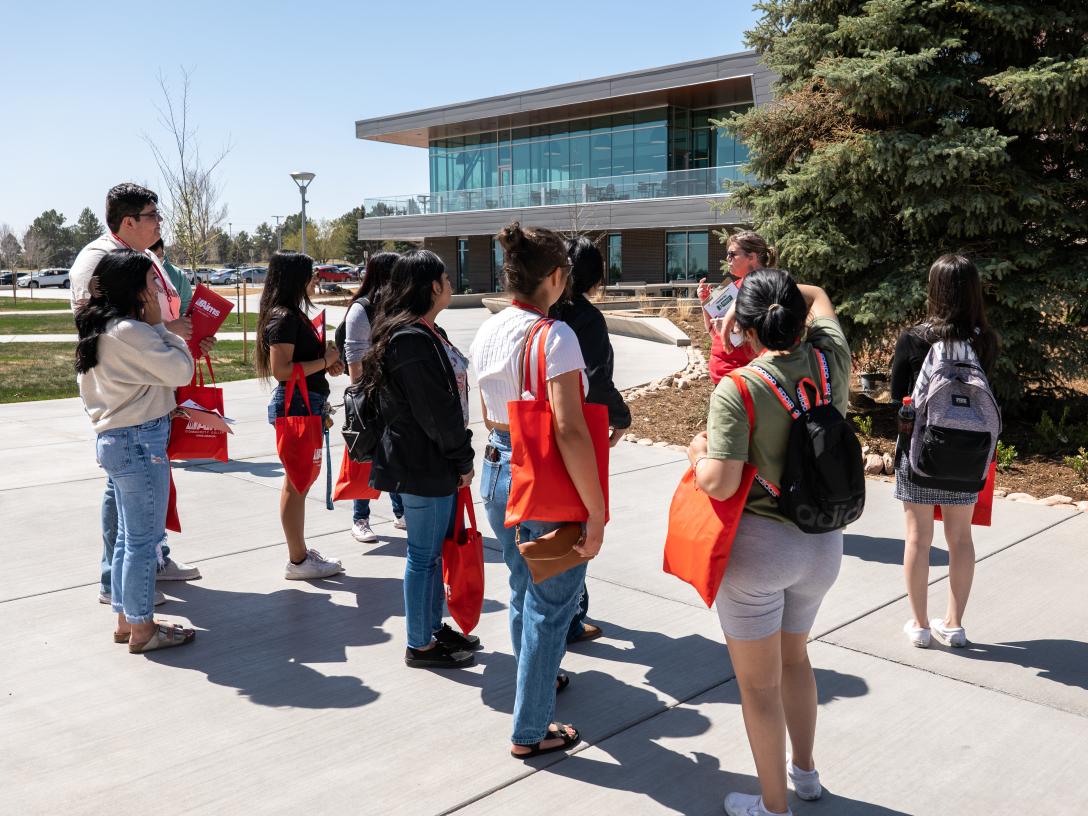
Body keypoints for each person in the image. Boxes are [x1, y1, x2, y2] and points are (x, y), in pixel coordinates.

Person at [691, 269, 849, 816]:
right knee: (797, 660)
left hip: (759, 552)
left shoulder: (738, 389)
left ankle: (773, 807)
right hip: (823, 544)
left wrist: (696, 453)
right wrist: (773, 302)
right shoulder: (831, 358)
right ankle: (806, 777)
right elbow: (818, 295)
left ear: (748, 329)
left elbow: (720, 481)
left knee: (759, 690)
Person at [471, 221, 606, 759]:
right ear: (554, 276)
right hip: (544, 477)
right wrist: (595, 512)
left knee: (523, 585)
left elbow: (485, 410)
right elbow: (570, 428)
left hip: (498, 468)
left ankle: (538, 680)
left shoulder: (488, 330)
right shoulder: (556, 336)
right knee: (553, 604)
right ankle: (531, 731)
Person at [69, 183, 208, 605]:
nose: (159, 223)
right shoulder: (97, 261)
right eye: (152, 215)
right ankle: (120, 585)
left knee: (138, 500)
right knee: (126, 494)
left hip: (152, 382)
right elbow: (104, 329)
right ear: (128, 222)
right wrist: (167, 336)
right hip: (131, 400)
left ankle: (148, 566)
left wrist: (178, 335)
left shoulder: (141, 256)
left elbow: (155, 314)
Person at [360, 250, 479, 668]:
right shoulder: (410, 339)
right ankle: (419, 643)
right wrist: (462, 458)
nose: (450, 283)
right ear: (432, 286)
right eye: (446, 277)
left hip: (432, 461)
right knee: (423, 555)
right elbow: (434, 412)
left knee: (431, 554)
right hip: (423, 462)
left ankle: (431, 627)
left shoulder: (427, 331)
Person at [76, 248, 197, 653]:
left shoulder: (101, 326)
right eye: (151, 283)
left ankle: (128, 618)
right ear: (134, 290)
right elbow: (182, 370)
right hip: (140, 441)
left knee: (129, 538)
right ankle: (144, 628)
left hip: (116, 439)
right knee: (143, 541)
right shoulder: (132, 331)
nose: (157, 290)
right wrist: (165, 328)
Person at [891, 254, 999, 649]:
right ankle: (953, 625)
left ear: (934, 289)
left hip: (920, 453)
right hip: (969, 454)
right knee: (961, 538)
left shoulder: (914, 338)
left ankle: (919, 625)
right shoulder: (984, 341)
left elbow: (896, 398)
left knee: (918, 539)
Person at [549, 235, 629, 644]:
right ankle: (572, 618)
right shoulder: (586, 319)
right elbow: (598, 380)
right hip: (581, 428)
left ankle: (558, 613)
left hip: (540, 431)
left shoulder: (542, 314)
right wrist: (622, 416)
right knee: (581, 521)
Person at [256, 250, 346, 580]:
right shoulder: (284, 316)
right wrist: (324, 362)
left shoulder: (292, 314)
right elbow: (281, 370)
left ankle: (301, 554)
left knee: (299, 481)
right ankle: (297, 560)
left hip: (306, 403)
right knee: (296, 483)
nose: (316, 279)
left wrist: (326, 362)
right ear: (297, 279)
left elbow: (299, 363)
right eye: (312, 274)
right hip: (297, 406)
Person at [342, 251, 406, 542]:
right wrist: (363, 399)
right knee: (366, 457)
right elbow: (354, 359)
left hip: (395, 396)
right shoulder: (362, 309)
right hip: (369, 395)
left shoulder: (396, 306)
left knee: (393, 455)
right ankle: (360, 518)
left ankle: (400, 511)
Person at [697, 230, 776, 384]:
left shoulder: (767, 287)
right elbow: (713, 334)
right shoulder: (731, 286)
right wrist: (704, 301)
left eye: (732, 254)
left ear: (751, 257)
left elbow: (767, 339)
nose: (728, 259)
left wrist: (731, 327)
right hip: (721, 377)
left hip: (742, 379)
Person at [150, 238, 193, 315]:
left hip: (174, 325)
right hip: (147, 326)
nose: (156, 260)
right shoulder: (138, 274)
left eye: (159, 256)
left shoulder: (178, 275)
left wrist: (183, 319)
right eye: (153, 257)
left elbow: (186, 305)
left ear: (163, 252)